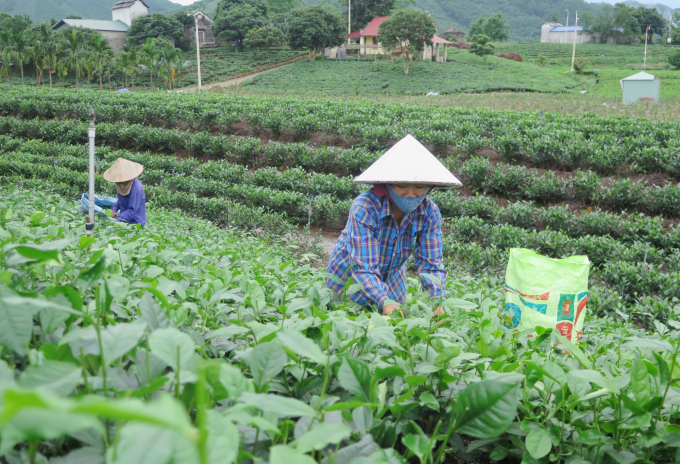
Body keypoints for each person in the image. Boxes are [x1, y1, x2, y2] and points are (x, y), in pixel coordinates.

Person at [325, 134, 462, 317]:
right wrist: (384, 301)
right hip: (349, 283)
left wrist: (437, 301)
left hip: (392, 280)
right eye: (402, 185)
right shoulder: (365, 208)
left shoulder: (429, 213)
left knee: (392, 333)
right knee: (347, 329)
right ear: (388, 184)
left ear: (429, 187)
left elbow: (431, 264)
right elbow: (363, 268)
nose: (411, 193)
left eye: (419, 187)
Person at [103, 158, 147, 226]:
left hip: (136, 222)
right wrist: (115, 209)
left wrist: (118, 220)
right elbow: (120, 200)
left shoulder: (136, 189)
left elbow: (132, 210)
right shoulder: (121, 185)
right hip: (125, 220)